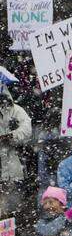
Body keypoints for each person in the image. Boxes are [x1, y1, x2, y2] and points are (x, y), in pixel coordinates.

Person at [0, 86, 31, 215]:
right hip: (3, 164)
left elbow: (27, 131)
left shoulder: (17, 111)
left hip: (15, 166)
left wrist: (12, 136)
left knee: (14, 208)